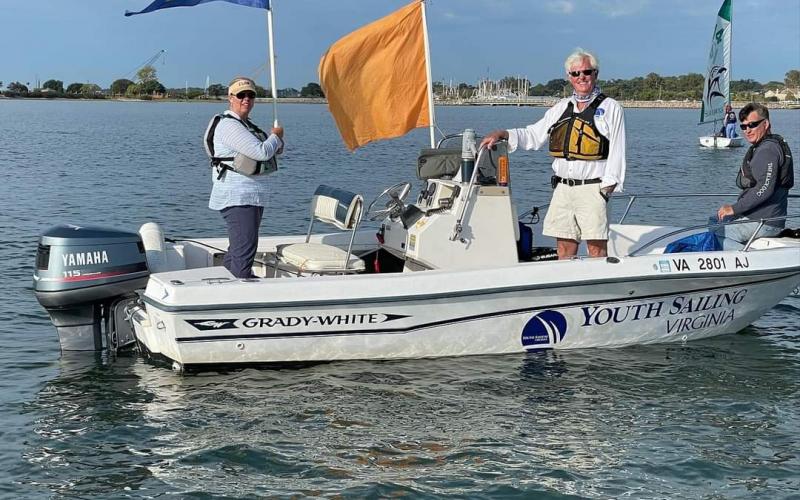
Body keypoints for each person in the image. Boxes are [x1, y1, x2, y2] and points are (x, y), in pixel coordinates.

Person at [481, 49, 626, 259]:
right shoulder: (561, 108)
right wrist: (503, 133)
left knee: (596, 248)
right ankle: (569, 288)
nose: (581, 77)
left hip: (593, 188)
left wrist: (608, 187)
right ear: (569, 77)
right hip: (563, 188)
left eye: (586, 72)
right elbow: (533, 134)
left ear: (595, 73)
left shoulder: (611, 108)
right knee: (564, 247)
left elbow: (618, 149)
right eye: (575, 73)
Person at [204, 76, 284, 278]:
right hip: (239, 197)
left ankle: (228, 283)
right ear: (230, 98)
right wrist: (276, 136)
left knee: (239, 246)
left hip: (249, 196)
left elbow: (277, 150)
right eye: (241, 95)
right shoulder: (229, 126)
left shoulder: (246, 125)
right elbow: (263, 152)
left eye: (250, 95)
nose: (246, 99)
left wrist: (276, 141)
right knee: (245, 249)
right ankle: (240, 286)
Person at [713, 102, 793, 249]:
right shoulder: (767, 145)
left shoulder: (767, 150)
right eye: (743, 126)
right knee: (714, 220)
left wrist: (735, 208)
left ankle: (749, 260)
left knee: (716, 232)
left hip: (764, 221)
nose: (747, 130)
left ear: (766, 124)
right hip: (764, 217)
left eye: (752, 125)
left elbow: (765, 188)